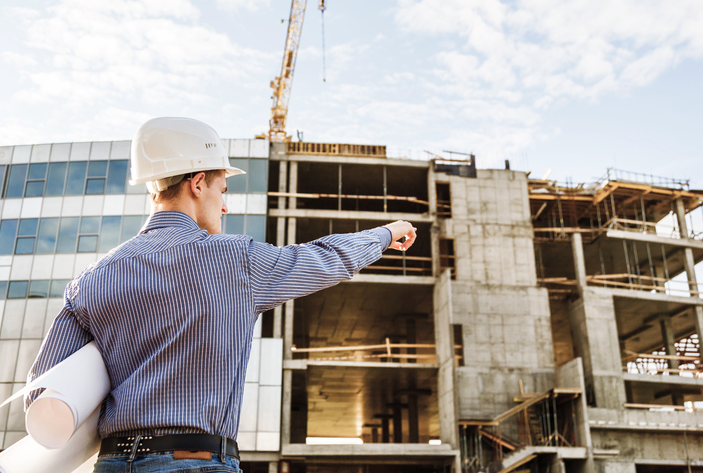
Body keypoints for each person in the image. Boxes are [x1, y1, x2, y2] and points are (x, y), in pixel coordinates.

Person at [25, 117, 417, 473]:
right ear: (197, 183)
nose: (225, 205)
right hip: (195, 462)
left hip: (112, 464)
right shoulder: (235, 260)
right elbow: (325, 259)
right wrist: (387, 232)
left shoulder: (90, 281)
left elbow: (41, 395)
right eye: (222, 189)